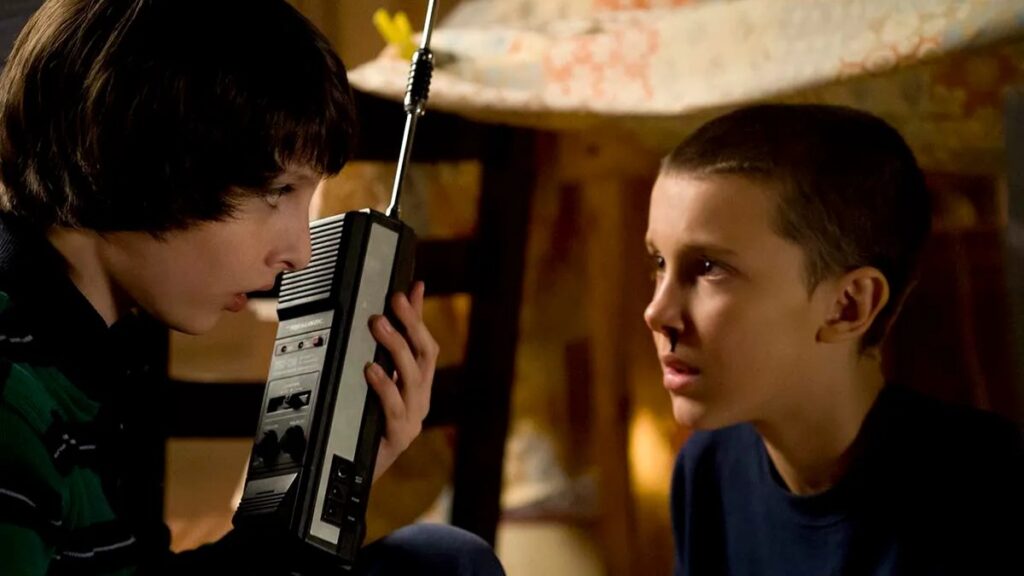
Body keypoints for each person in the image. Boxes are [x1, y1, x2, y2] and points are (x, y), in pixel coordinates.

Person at [0, 0, 504, 574]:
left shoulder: (103, 348)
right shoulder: (11, 400)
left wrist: (319, 489)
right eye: (276, 191)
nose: (299, 252)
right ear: (140, 151)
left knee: (444, 560)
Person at [643, 104, 1024, 575]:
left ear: (849, 306)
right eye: (659, 262)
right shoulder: (707, 470)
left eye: (708, 268)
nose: (657, 313)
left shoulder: (992, 492)